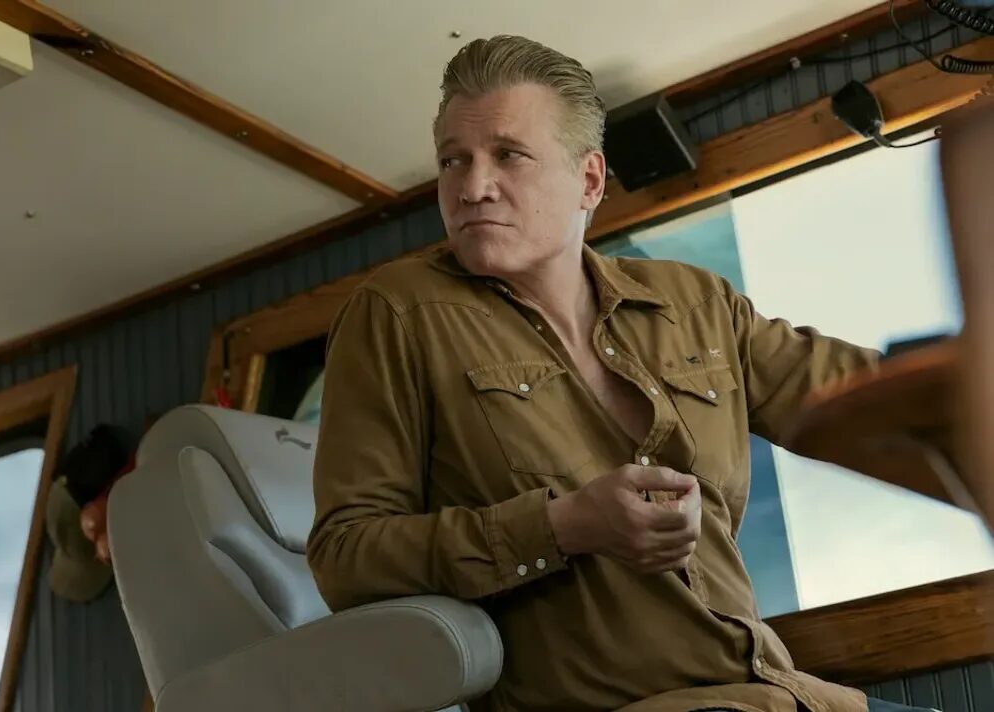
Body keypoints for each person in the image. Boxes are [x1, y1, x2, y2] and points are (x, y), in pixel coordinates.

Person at [306, 35, 937, 712]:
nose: (472, 187)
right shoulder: (398, 312)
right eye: (452, 161)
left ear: (589, 180)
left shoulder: (698, 303)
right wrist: (563, 526)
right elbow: (346, 556)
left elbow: (885, 403)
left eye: (507, 155)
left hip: (788, 696)